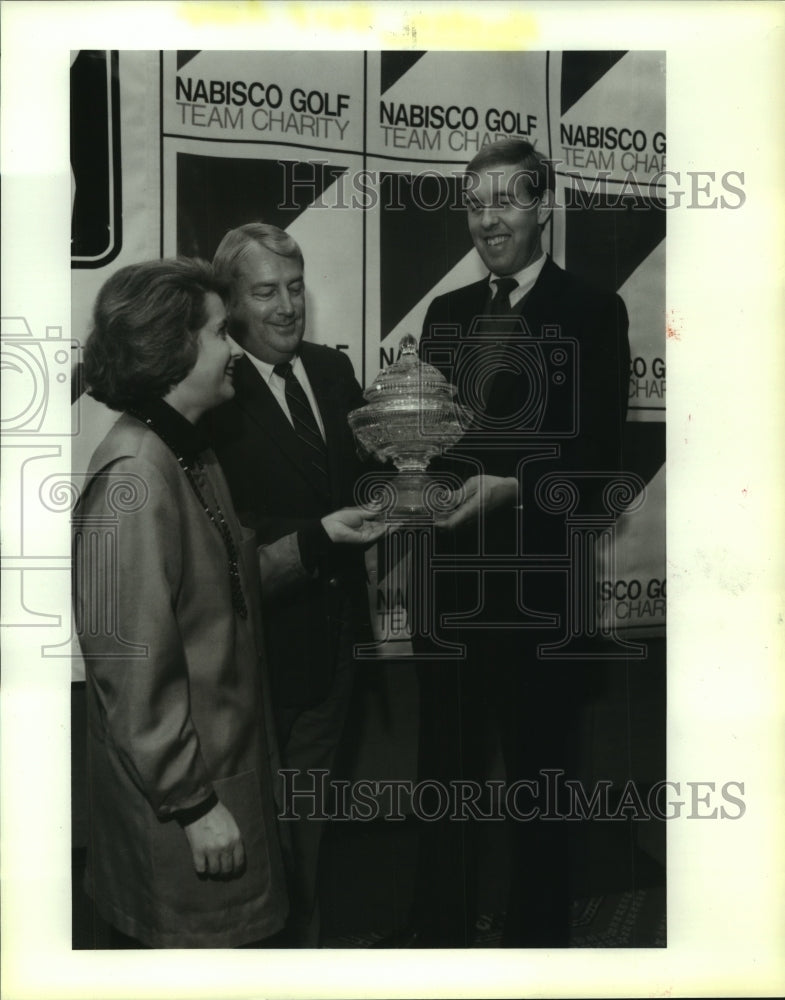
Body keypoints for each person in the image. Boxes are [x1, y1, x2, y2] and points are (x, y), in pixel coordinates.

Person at [73, 258, 383, 949]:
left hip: (232, 775)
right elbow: (129, 675)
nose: (233, 346)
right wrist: (193, 804)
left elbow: (228, 581)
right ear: (174, 349)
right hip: (190, 804)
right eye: (219, 333)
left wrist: (320, 538)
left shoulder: (189, 455)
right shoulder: (134, 478)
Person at [403, 138, 631, 947]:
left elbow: (600, 475)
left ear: (542, 208)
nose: (487, 218)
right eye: (474, 202)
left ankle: (538, 961)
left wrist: (509, 492)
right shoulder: (446, 315)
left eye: (505, 200)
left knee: (541, 800)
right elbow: (425, 448)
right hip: (449, 604)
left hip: (540, 610)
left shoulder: (592, 311)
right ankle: (441, 949)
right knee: (445, 795)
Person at [208, 223, 375, 946]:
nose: (286, 306)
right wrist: (319, 531)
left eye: (295, 287)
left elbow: (366, 475)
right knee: (255, 840)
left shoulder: (331, 372)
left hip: (338, 650)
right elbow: (221, 525)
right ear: (231, 303)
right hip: (256, 657)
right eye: (265, 291)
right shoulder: (209, 384)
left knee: (309, 835)